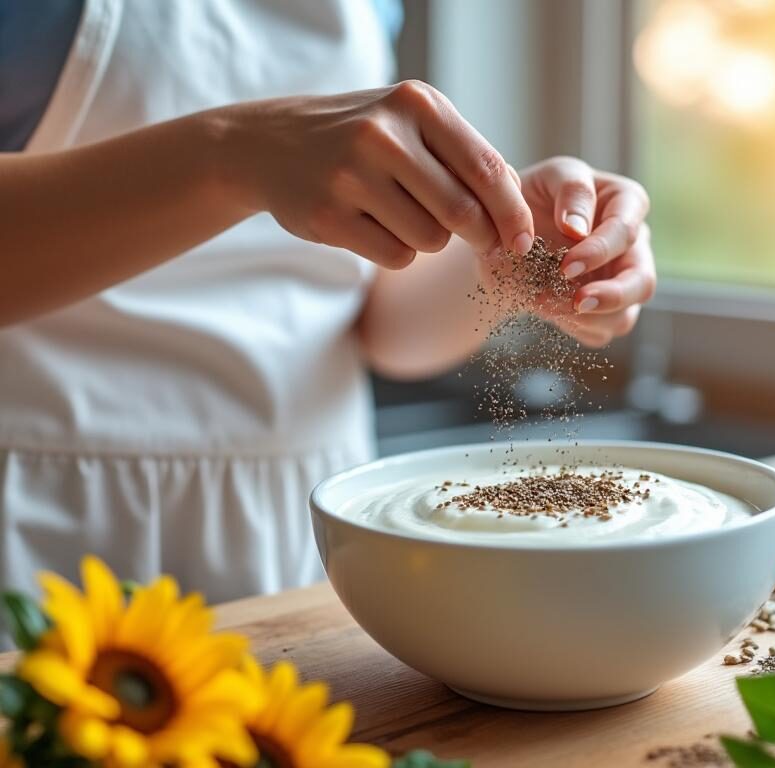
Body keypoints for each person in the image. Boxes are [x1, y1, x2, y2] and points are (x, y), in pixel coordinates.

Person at [0, 0, 654, 613]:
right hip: (44, 507)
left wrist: (510, 257)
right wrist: (235, 152)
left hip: (309, 513)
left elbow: (377, 321)